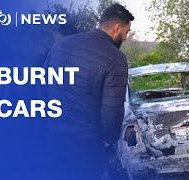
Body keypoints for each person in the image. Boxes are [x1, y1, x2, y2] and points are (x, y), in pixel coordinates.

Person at [44, 3, 134, 180]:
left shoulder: (61, 45)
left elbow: (41, 89)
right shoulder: (115, 58)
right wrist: (108, 140)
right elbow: (111, 114)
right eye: (126, 31)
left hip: (52, 142)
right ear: (117, 28)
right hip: (86, 149)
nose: (125, 37)